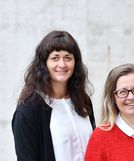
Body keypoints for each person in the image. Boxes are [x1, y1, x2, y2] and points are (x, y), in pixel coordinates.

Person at [12, 30, 96, 161]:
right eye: (55, 58)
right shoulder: (28, 110)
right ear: (44, 63)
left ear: (75, 62)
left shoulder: (83, 101)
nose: (62, 64)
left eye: (68, 58)